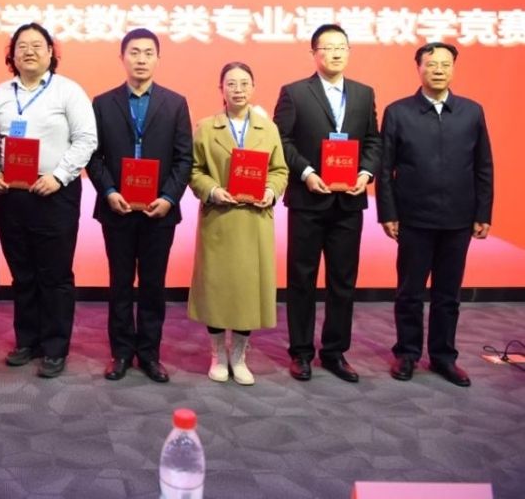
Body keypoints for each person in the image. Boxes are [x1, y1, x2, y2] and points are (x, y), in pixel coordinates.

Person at [377, 42, 494, 387]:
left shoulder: (472, 112)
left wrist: (483, 211)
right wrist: (388, 213)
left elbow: (483, 166)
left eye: (445, 64)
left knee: (448, 294)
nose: (439, 70)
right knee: (410, 292)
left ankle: (444, 357)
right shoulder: (398, 112)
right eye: (431, 64)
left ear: (453, 68)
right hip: (413, 218)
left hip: (458, 219)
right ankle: (407, 353)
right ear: (419, 68)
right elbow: (385, 169)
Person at [0, 22, 97, 379]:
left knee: (55, 274)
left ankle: (54, 347)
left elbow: (86, 139)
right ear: (12, 54)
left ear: (51, 52)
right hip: (10, 195)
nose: (29, 51)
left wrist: (59, 176)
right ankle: (27, 341)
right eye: (22, 46)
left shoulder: (69, 91)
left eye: (38, 45)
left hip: (54, 194)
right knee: (22, 273)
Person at [273, 24, 380, 383]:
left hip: (348, 202)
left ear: (349, 52)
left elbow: (373, 141)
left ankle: (335, 352)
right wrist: (305, 173)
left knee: (343, 281)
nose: (335, 53)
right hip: (308, 199)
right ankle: (301, 352)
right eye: (328, 47)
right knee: (301, 279)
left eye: (342, 47)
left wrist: (366, 173)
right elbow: (282, 140)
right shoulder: (294, 93)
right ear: (314, 53)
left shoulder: (364, 93)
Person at [86, 29, 192, 383]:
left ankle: (149, 353)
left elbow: (184, 159)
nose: (141, 59)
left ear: (158, 59)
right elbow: (94, 156)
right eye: (134, 52)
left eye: (148, 52)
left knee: (152, 285)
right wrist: (108, 191)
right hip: (116, 208)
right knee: (119, 283)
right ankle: (120, 353)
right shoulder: (103, 103)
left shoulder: (175, 103)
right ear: (122, 58)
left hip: (158, 212)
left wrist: (169, 198)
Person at [188, 62, 288, 385]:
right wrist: (212, 190)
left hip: (254, 220)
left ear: (254, 87)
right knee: (217, 288)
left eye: (245, 83)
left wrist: (271, 191)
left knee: (247, 291)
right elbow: (194, 169)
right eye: (231, 83)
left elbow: (280, 170)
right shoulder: (206, 128)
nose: (238, 89)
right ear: (221, 89)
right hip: (219, 218)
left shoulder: (268, 129)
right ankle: (218, 354)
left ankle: (239, 356)